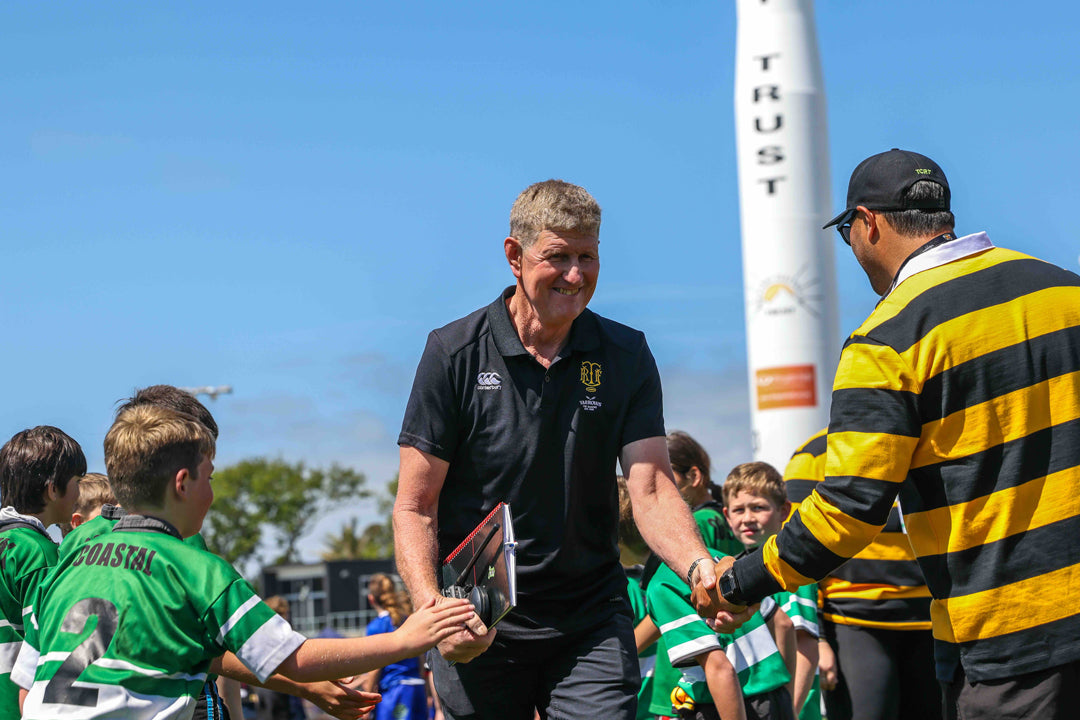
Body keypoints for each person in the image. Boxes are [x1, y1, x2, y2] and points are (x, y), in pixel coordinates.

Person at [702, 148, 1080, 719]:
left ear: (867, 224)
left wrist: (743, 579)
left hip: (1009, 637)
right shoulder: (1065, 292)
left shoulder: (889, 337)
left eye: (847, 233)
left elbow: (851, 507)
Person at [394, 179, 733, 719]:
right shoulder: (453, 352)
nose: (576, 275)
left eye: (588, 257)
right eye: (558, 257)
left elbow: (649, 485)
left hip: (589, 620)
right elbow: (415, 506)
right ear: (514, 256)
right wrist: (432, 612)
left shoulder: (625, 354)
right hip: (477, 620)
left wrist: (698, 565)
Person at [15, 405, 475, 719]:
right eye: (209, 478)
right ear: (182, 483)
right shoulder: (197, 570)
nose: (212, 493)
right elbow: (294, 658)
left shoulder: (72, 554)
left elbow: (28, 677)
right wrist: (408, 638)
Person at [784, 429, 939, 720]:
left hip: (936, 621)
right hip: (854, 620)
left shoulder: (932, 436)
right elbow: (799, 548)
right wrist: (818, 638)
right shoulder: (816, 453)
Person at [721, 463, 819, 720]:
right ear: (726, 515)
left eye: (758, 507)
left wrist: (790, 710)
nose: (747, 518)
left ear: (784, 510)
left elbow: (806, 645)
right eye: (738, 510)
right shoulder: (737, 567)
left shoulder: (790, 569)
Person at [0, 426, 85, 718]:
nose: (79, 492)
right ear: (52, 489)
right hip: (15, 707)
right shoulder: (38, 553)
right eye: (77, 481)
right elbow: (49, 643)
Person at [359, 574, 429, 720]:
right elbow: (421, 658)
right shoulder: (409, 621)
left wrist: (366, 704)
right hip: (417, 689)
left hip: (395, 692)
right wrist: (426, 691)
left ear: (371, 599)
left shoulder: (376, 627)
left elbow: (374, 667)